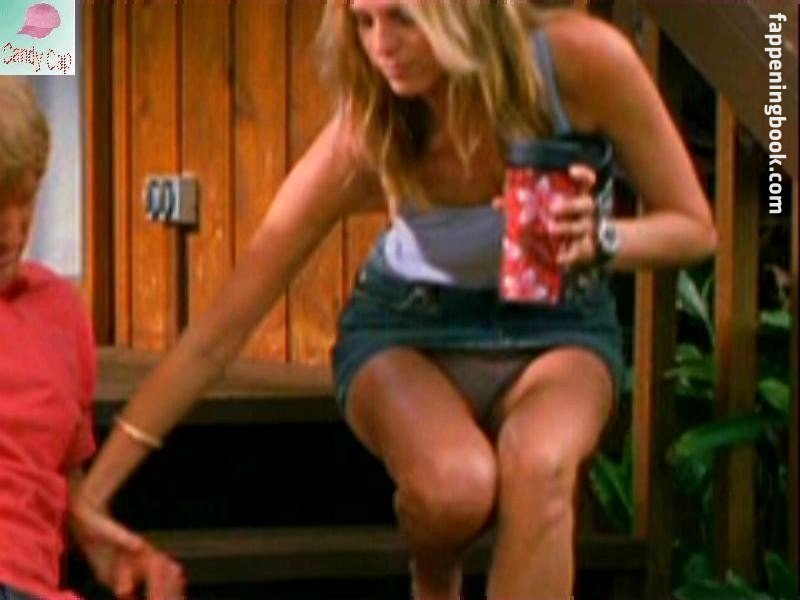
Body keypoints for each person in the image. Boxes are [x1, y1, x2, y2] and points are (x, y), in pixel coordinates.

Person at [73, 2, 717, 599]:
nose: (382, 45)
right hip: (408, 328)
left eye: (404, 19)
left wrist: (603, 239)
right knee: (456, 488)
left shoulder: (578, 60)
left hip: (559, 326)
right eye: (365, 21)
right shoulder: (368, 129)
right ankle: (433, 571)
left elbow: (695, 228)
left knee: (541, 464)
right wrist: (95, 494)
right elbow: (220, 331)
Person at [0, 77, 185, 600]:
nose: (11, 231)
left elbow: (60, 475)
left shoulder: (59, 311)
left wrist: (106, 550)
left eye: (23, 201)